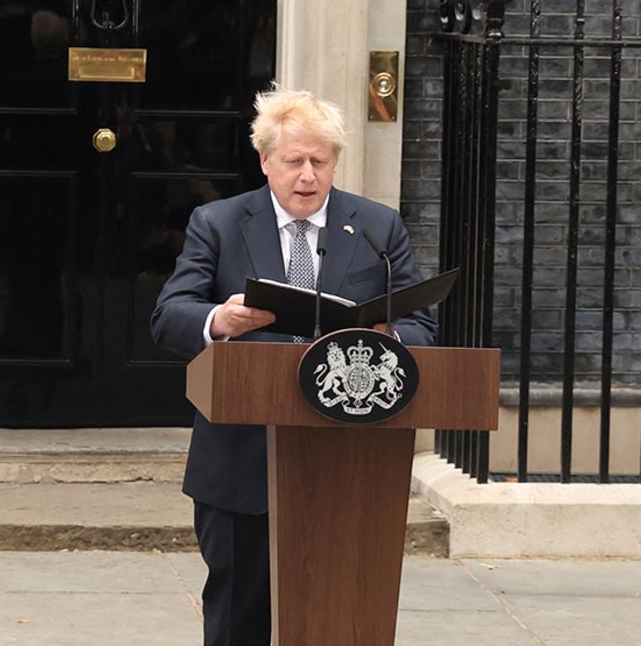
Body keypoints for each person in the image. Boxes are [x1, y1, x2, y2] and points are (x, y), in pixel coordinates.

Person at [150, 88, 437, 646]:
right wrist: (220, 319)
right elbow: (169, 316)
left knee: (341, 615)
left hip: (350, 460)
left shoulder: (378, 228)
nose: (307, 176)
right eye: (293, 162)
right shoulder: (220, 223)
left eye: (319, 162)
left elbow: (422, 326)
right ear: (265, 161)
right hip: (240, 462)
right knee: (239, 618)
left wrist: (389, 335)